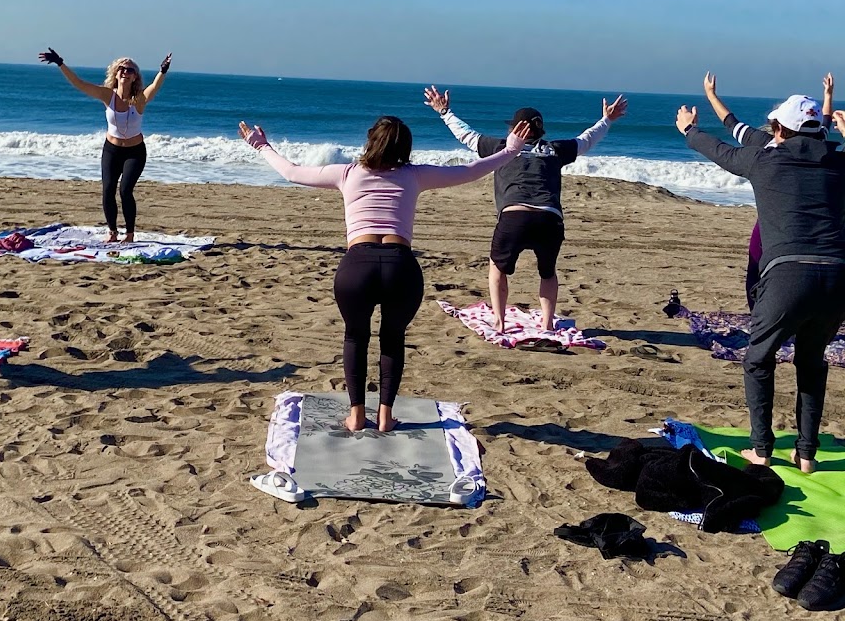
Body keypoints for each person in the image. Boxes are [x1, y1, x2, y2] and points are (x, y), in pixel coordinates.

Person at [239, 115, 533, 432]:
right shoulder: (415, 175)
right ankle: (385, 417)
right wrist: (511, 150)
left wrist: (261, 146)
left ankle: (355, 416)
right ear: (406, 148)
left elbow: (292, 172)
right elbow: (470, 171)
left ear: (370, 141)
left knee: (355, 337)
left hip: (357, 268)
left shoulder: (347, 173)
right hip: (400, 268)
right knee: (392, 340)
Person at [676, 92, 845, 474]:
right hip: (837, 278)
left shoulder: (765, 160)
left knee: (758, 359)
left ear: (780, 129)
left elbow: (717, 149)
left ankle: (762, 450)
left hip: (788, 276)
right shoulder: (839, 162)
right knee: (811, 362)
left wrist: (689, 129)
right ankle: (805, 454)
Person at [424, 86, 627, 332]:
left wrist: (444, 111)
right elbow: (587, 139)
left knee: (497, 268)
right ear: (540, 131)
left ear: (514, 129)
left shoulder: (500, 147)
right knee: (548, 273)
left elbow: (465, 135)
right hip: (550, 219)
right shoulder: (555, 149)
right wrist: (607, 119)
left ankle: (499, 323)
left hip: (514, 216)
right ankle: (546, 323)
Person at [704, 72, 835, 308]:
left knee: (758, 272)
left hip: (772, 223)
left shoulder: (767, 148)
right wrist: (828, 96)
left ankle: (763, 317)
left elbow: (732, 125)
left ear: (779, 127)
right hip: (814, 227)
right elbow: (824, 121)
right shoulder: (820, 145)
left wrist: (710, 96)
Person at [38, 47, 173, 243]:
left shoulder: (139, 99)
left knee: (125, 190)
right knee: (108, 189)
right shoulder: (107, 95)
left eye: (130, 70)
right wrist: (60, 62)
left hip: (135, 152)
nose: (125, 72)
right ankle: (112, 232)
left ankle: (129, 234)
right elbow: (79, 83)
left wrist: (163, 70)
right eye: (121, 69)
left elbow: (155, 86)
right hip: (112, 150)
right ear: (116, 74)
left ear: (135, 77)